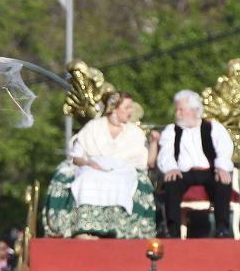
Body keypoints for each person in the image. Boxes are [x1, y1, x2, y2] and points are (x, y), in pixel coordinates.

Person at [43, 92, 156, 238]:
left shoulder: (134, 133)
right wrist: (89, 163)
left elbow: (147, 162)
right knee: (87, 178)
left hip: (123, 170)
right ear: (114, 108)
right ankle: (84, 227)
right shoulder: (94, 127)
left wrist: (153, 143)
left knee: (122, 181)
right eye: (127, 107)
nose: (130, 112)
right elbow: (76, 156)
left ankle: (119, 227)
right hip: (92, 167)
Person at [157, 89, 236, 238]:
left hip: (209, 171)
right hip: (183, 173)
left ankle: (222, 229)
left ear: (195, 110)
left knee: (223, 181)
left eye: (181, 109)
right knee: (171, 181)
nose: (177, 113)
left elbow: (224, 149)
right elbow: (165, 153)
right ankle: (172, 231)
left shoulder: (214, 127)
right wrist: (171, 168)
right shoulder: (171, 130)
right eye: (177, 109)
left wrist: (221, 167)